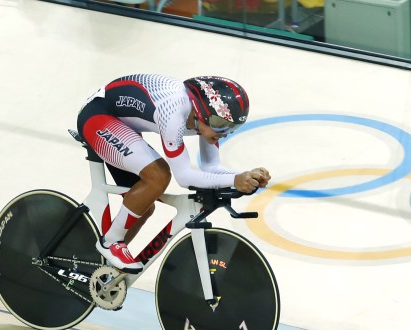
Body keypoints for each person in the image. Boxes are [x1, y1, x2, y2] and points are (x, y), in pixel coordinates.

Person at [77, 74, 271, 273]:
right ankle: (110, 242)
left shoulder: (206, 119)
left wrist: (245, 176)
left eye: (232, 127)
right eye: (222, 125)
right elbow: (184, 177)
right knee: (158, 176)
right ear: (201, 112)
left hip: (121, 122)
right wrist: (234, 180)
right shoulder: (173, 112)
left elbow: (211, 168)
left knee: (144, 205)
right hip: (98, 116)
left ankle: (100, 269)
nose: (225, 132)